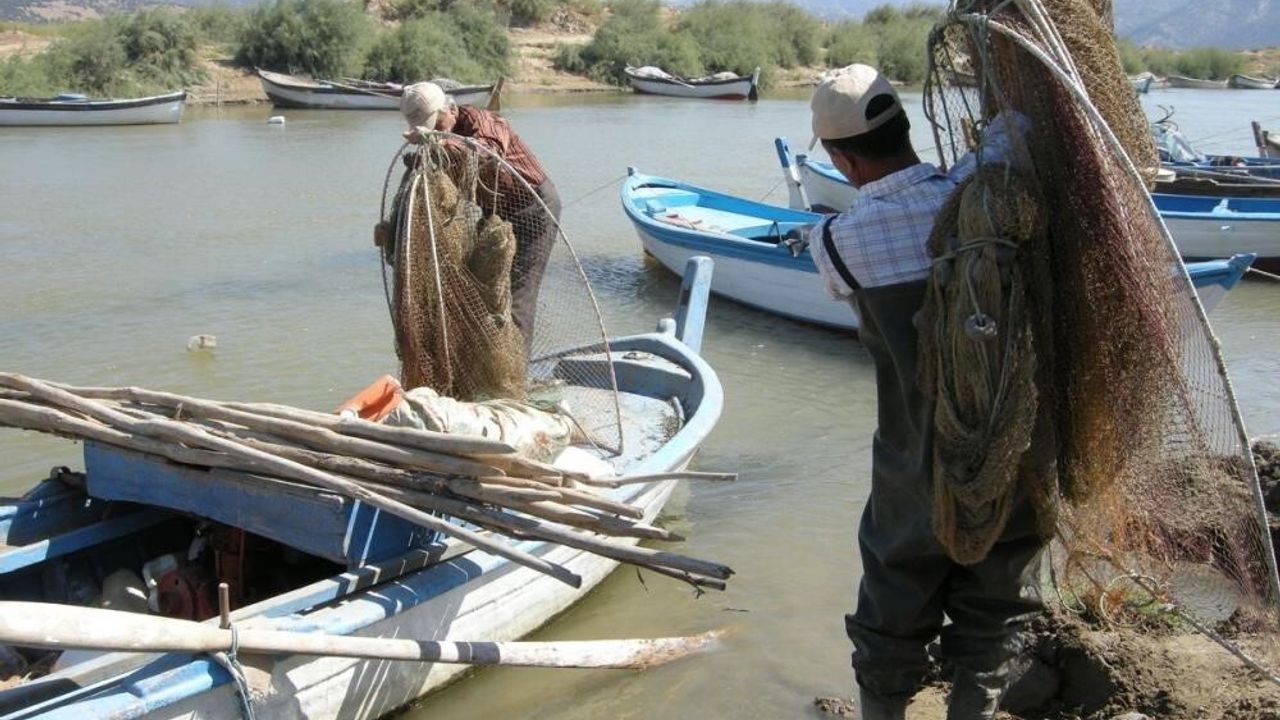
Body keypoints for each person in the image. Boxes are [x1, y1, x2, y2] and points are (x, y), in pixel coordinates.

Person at [804, 65, 1045, 720]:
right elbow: (1012, 130)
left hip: (914, 460)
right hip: (1012, 447)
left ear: (843, 159)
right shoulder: (984, 194)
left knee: (892, 601)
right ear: (906, 128)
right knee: (993, 608)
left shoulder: (837, 241)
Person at [399, 81, 561, 353]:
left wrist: (437, 140)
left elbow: (487, 153)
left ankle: (514, 378)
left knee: (517, 295)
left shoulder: (484, 122)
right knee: (477, 288)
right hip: (496, 214)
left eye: (437, 125)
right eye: (429, 129)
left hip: (534, 208)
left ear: (450, 109)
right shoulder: (442, 140)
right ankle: (482, 357)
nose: (436, 133)